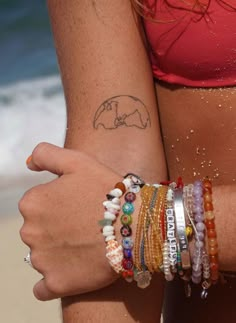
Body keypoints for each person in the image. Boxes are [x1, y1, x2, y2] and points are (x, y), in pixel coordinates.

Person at [19, 1, 236, 322]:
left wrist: (148, 228)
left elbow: (119, 224)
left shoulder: (133, 228)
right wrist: (122, 230)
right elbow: (114, 161)